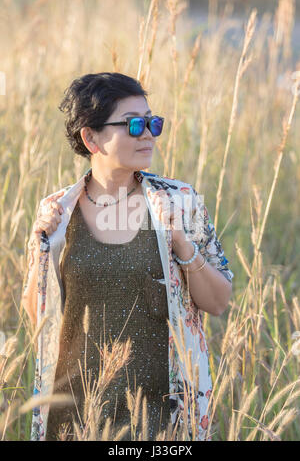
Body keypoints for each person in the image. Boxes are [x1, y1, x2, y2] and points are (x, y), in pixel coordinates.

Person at [21, 72, 234, 441]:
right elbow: (37, 316)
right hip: (75, 415)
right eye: (134, 124)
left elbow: (218, 301)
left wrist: (182, 245)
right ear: (91, 137)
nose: (148, 133)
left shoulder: (180, 201)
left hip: (161, 419)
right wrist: (38, 247)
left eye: (153, 122)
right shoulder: (58, 211)